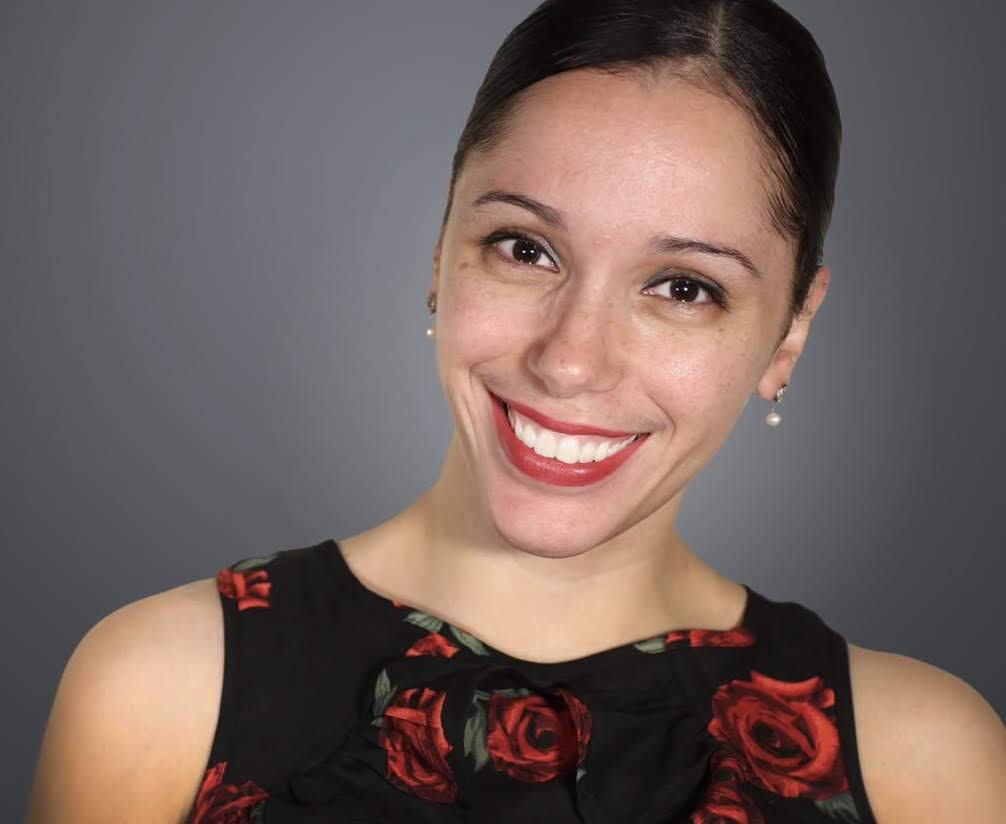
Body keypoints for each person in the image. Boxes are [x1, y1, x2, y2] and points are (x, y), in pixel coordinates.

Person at [27, 1, 1006, 822]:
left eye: (682, 287)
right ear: (440, 247)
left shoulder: (928, 764)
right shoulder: (158, 689)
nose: (570, 359)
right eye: (524, 248)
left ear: (788, 334)